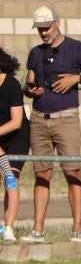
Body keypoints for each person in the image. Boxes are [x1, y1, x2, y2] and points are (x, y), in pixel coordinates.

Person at [22, 6, 81, 244]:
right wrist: (31, 90)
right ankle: (38, 229)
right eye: (40, 30)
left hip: (66, 118)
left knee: (72, 171)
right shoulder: (35, 53)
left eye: (47, 28)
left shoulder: (75, 48)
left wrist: (76, 78)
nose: (44, 33)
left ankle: (77, 229)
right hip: (39, 119)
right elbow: (29, 82)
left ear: (58, 23)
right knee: (41, 173)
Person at [0, 49, 23, 241]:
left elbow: (16, 121)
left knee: (10, 178)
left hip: (16, 136)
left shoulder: (12, 85)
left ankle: (9, 227)